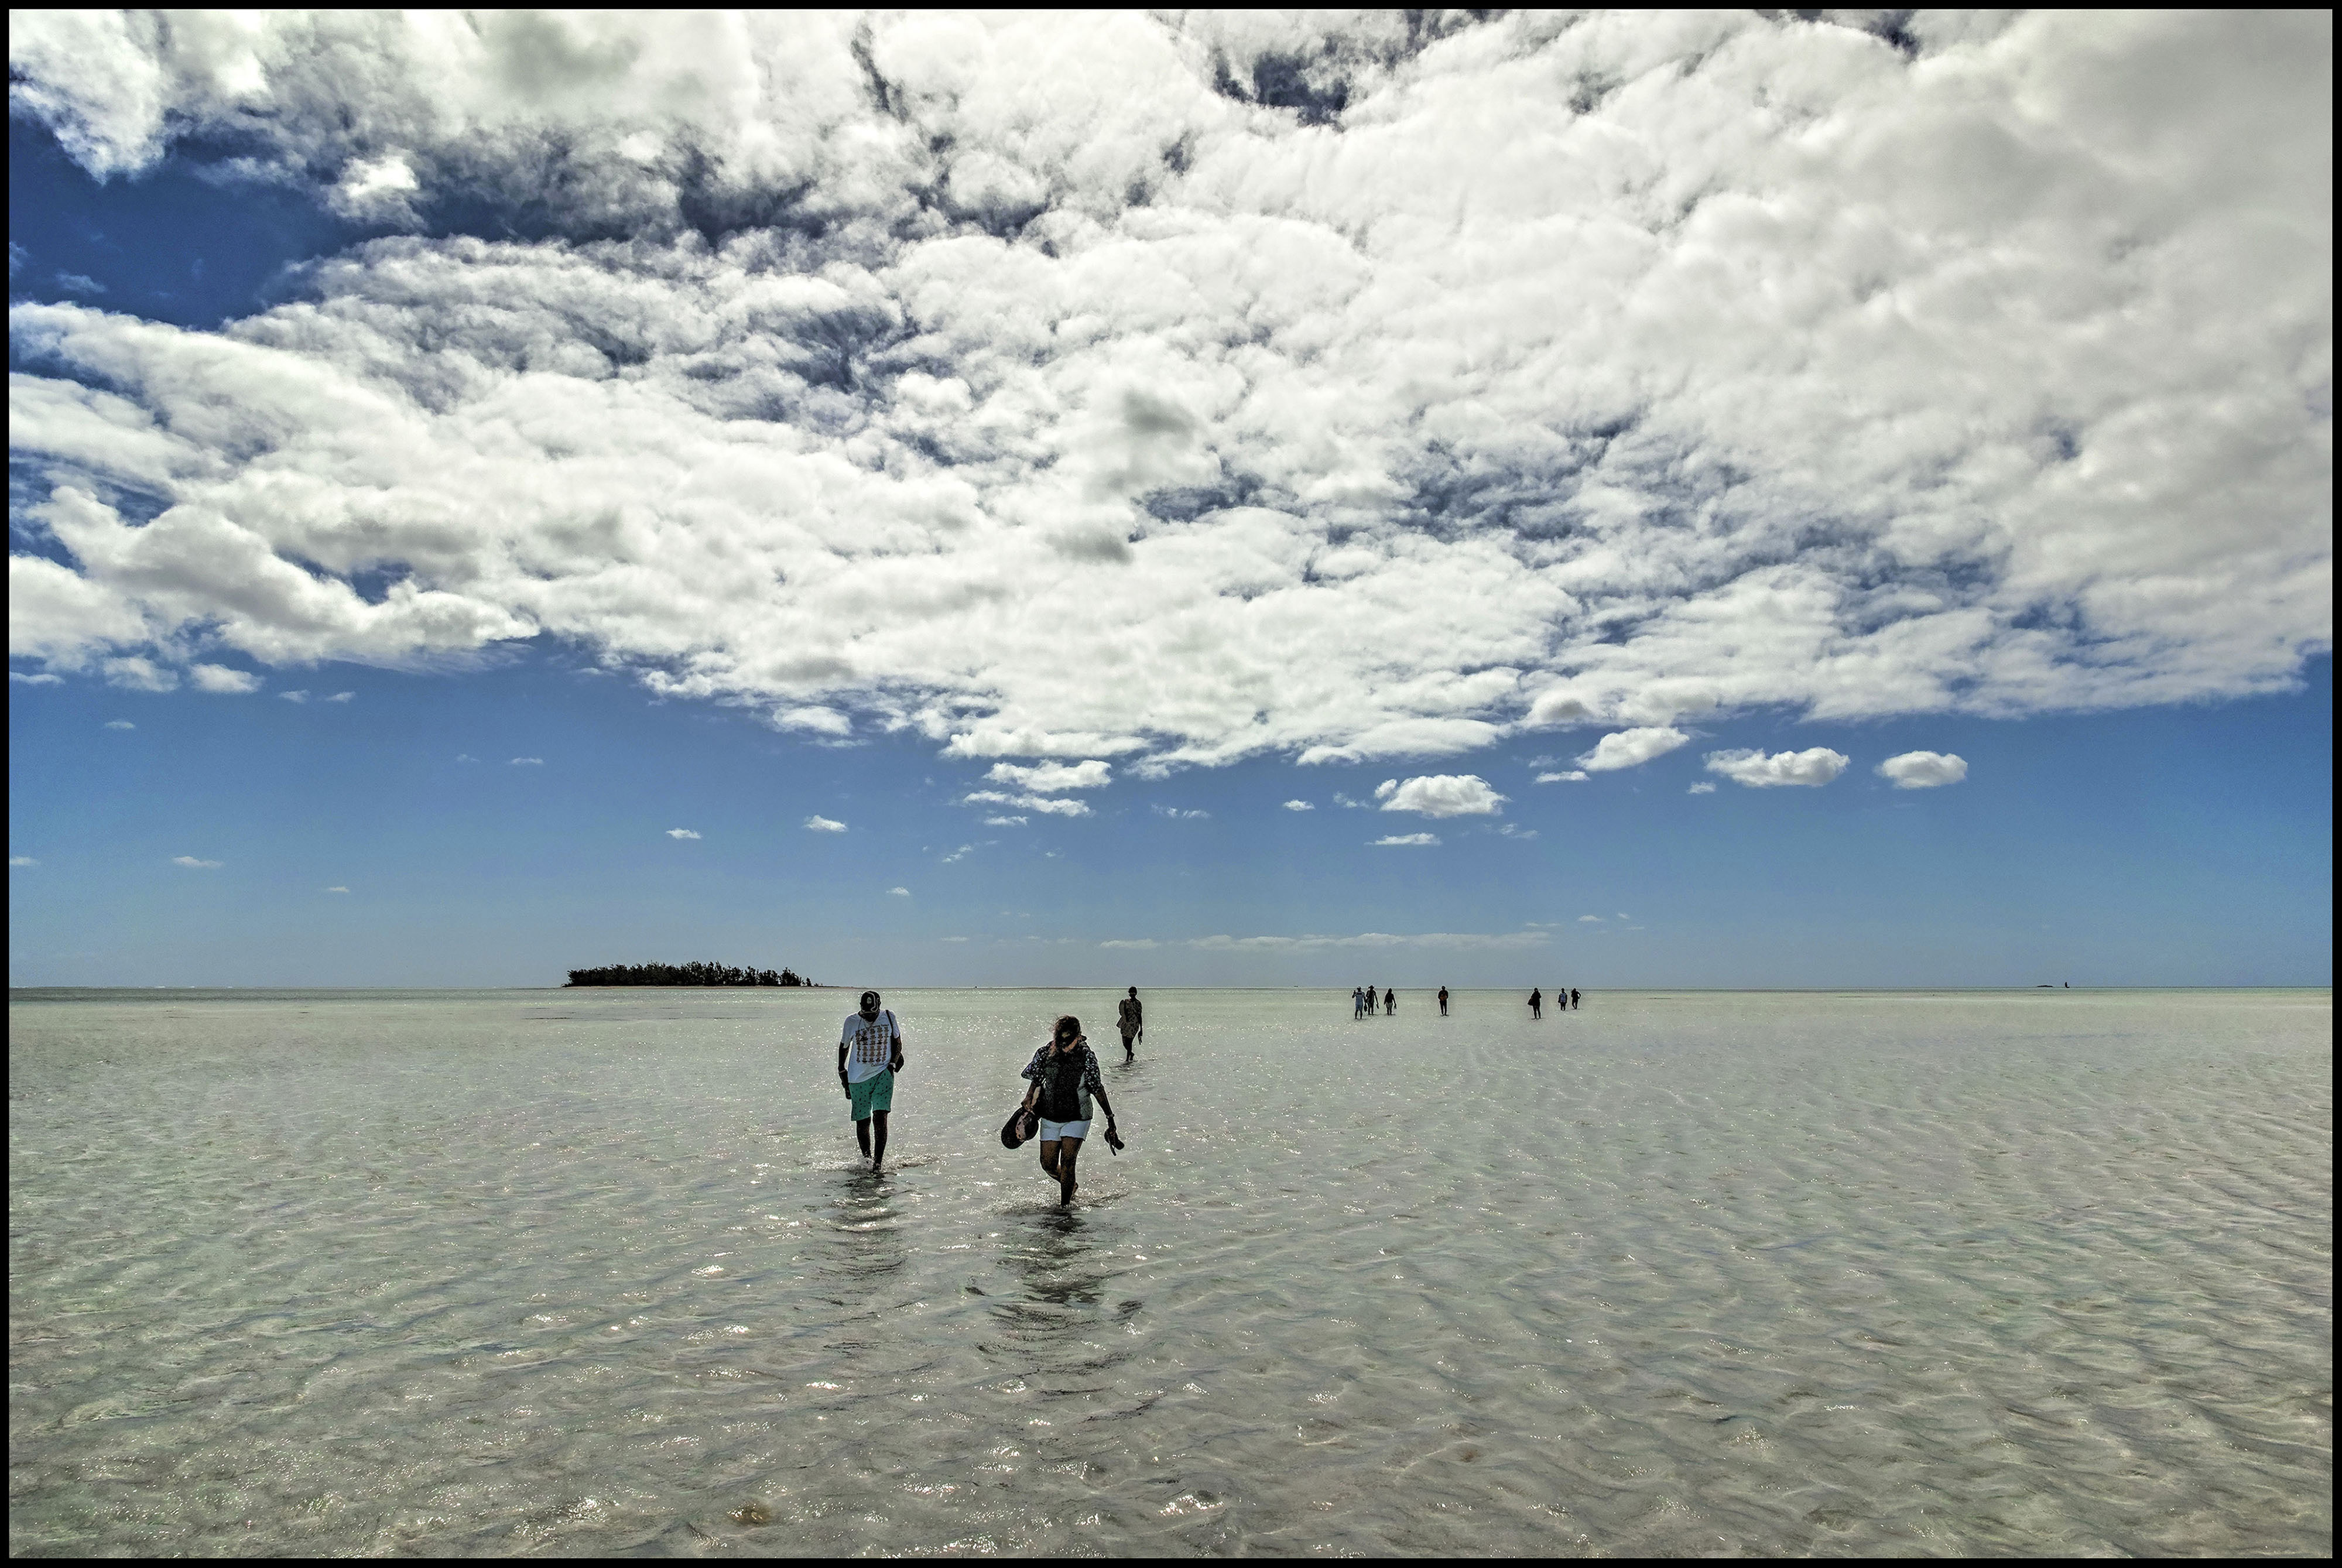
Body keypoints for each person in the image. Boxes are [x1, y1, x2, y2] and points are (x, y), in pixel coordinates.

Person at [1020, 1015, 1119, 1206]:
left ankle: (1064, 1209)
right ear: (1056, 1036)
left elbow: (1097, 1088)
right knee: (1047, 1164)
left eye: (1069, 1039)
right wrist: (1029, 1096)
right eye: (1061, 1039)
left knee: (1068, 1163)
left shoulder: (1087, 1056)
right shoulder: (1045, 1053)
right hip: (1050, 1114)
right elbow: (1037, 1078)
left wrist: (1110, 1118)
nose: (1064, 1043)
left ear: (1078, 1036)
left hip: (1078, 1116)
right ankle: (1071, 1186)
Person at [838, 990, 905, 1171]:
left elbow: (897, 1041)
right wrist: (841, 1070)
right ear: (861, 1009)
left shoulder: (889, 1017)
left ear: (879, 1007)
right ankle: (867, 1159)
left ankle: (878, 1164)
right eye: (866, 1014)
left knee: (881, 1118)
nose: (869, 1017)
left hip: (883, 1074)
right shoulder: (851, 1021)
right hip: (857, 1079)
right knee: (863, 1121)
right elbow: (844, 1047)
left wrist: (892, 1064)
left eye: (873, 1014)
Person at [1117, 986, 1144, 1060]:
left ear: (1136, 994)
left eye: (1134, 993)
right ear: (1129, 993)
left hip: (1134, 1025)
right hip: (1126, 1024)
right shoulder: (1125, 1002)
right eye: (1131, 992)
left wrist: (1141, 1030)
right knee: (1125, 1042)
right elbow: (1122, 1013)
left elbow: (1140, 1016)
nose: (1132, 994)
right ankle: (1131, 1054)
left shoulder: (1138, 1003)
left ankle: (1127, 1060)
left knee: (1130, 1042)